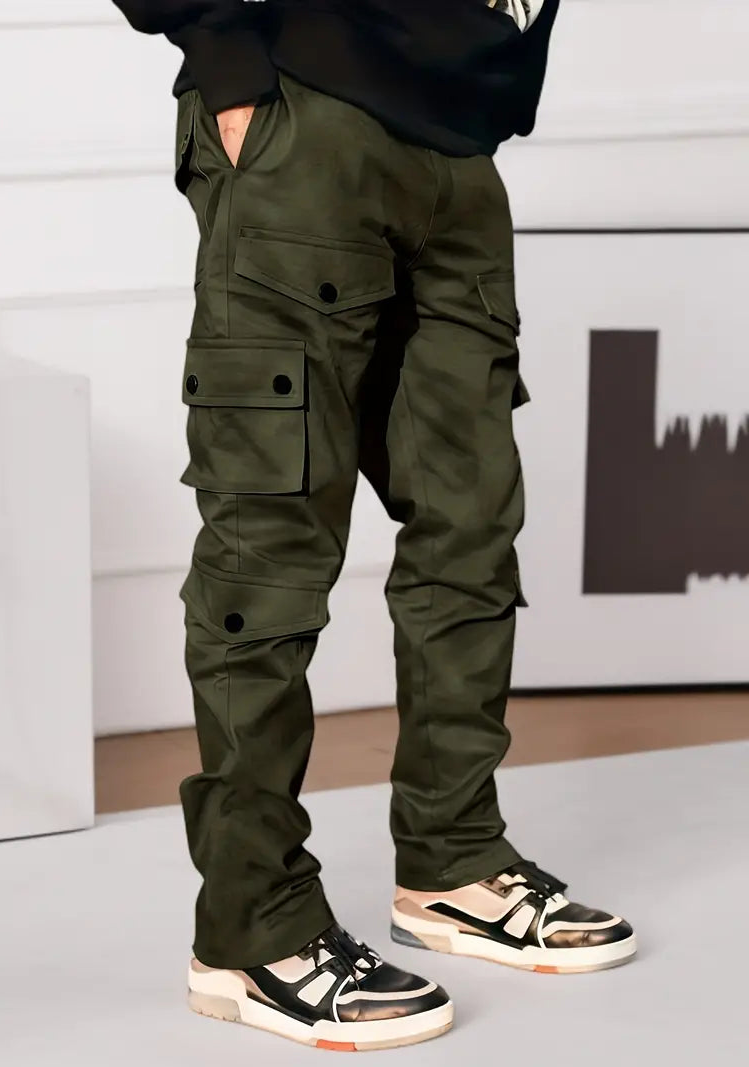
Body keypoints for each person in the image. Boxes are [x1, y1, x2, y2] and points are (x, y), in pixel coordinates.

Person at [112, 0, 636, 1052]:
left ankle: (453, 858)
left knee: (469, 527)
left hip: (459, 147)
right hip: (307, 122)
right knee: (269, 547)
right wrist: (225, 55)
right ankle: (252, 926)